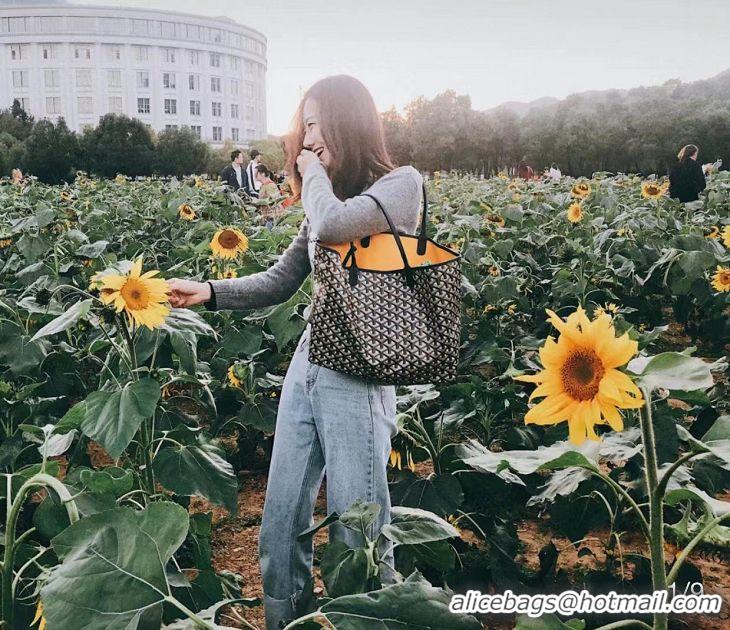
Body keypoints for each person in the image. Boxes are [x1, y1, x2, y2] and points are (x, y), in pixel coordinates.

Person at [167, 74, 422, 630]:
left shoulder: (399, 187)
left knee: (357, 527)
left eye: (313, 123)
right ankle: (287, 619)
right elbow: (283, 279)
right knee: (281, 518)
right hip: (310, 363)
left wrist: (309, 176)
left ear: (347, 121)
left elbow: (332, 225)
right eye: (302, 126)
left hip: (359, 371)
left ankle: (371, 620)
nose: (305, 138)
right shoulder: (323, 197)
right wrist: (208, 292)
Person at [255, 164, 284, 228]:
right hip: (268, 217)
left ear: (262, 174)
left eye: (256, 173)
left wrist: (258, 202)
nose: (254, 175)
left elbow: (274, 201)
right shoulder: (264, 185)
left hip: (272, 218)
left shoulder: (270, 185)